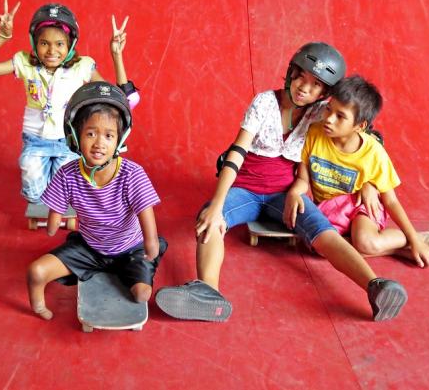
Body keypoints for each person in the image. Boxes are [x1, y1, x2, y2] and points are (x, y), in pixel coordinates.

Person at [155, 43, 408, 323]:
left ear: (325, 93)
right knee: (209, 219)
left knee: (323, 232)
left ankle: (375, 286)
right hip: (245, 191)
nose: (304, 88)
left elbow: (366, 131)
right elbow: (236, 153)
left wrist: (369, 184)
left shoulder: (320, 113)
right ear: (289, 73)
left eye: (315, 85)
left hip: (286, 196)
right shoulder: (264, 102)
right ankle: (208, 293)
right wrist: (216, 205)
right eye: (300, 76)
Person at [0, 0, 139, 203]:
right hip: (35, 139)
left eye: (60, 44)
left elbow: (125, 100)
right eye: (44, 43)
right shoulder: (25, 63)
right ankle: (40, 204)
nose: (52, 51)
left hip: (69, 140)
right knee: (34, 189)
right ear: (35, 43)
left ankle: (59, 205)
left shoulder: (82, 67)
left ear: (70, 44)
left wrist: (117, 55)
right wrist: (2, 37)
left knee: (66, 189)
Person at [26, 81, 167, 320]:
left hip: (130, 248)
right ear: (74, 135)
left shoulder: (132, 174)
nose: (99, 142)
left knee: (141, 294)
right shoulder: (68, 174)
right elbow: (56, 212)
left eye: (109, 135)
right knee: (36, 271)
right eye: (90, 133)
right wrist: (53, 223)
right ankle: (38, 307)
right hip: (89, 248)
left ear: (120, 139)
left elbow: (145, 210)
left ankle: (136, 273)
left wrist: (151, 241)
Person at [280, 75, 429, 267]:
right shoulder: (314, 134)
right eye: (328, 109)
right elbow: (303, 178)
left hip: (361, 205)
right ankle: (398, 249)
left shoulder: (373, 153)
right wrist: (294, 193)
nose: (329, 119)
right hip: (331, 209)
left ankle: (420, 238)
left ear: (360, 126)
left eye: (340, 116)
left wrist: (414, 239)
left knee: (365, 241)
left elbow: (391, 201)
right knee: (320, 247)